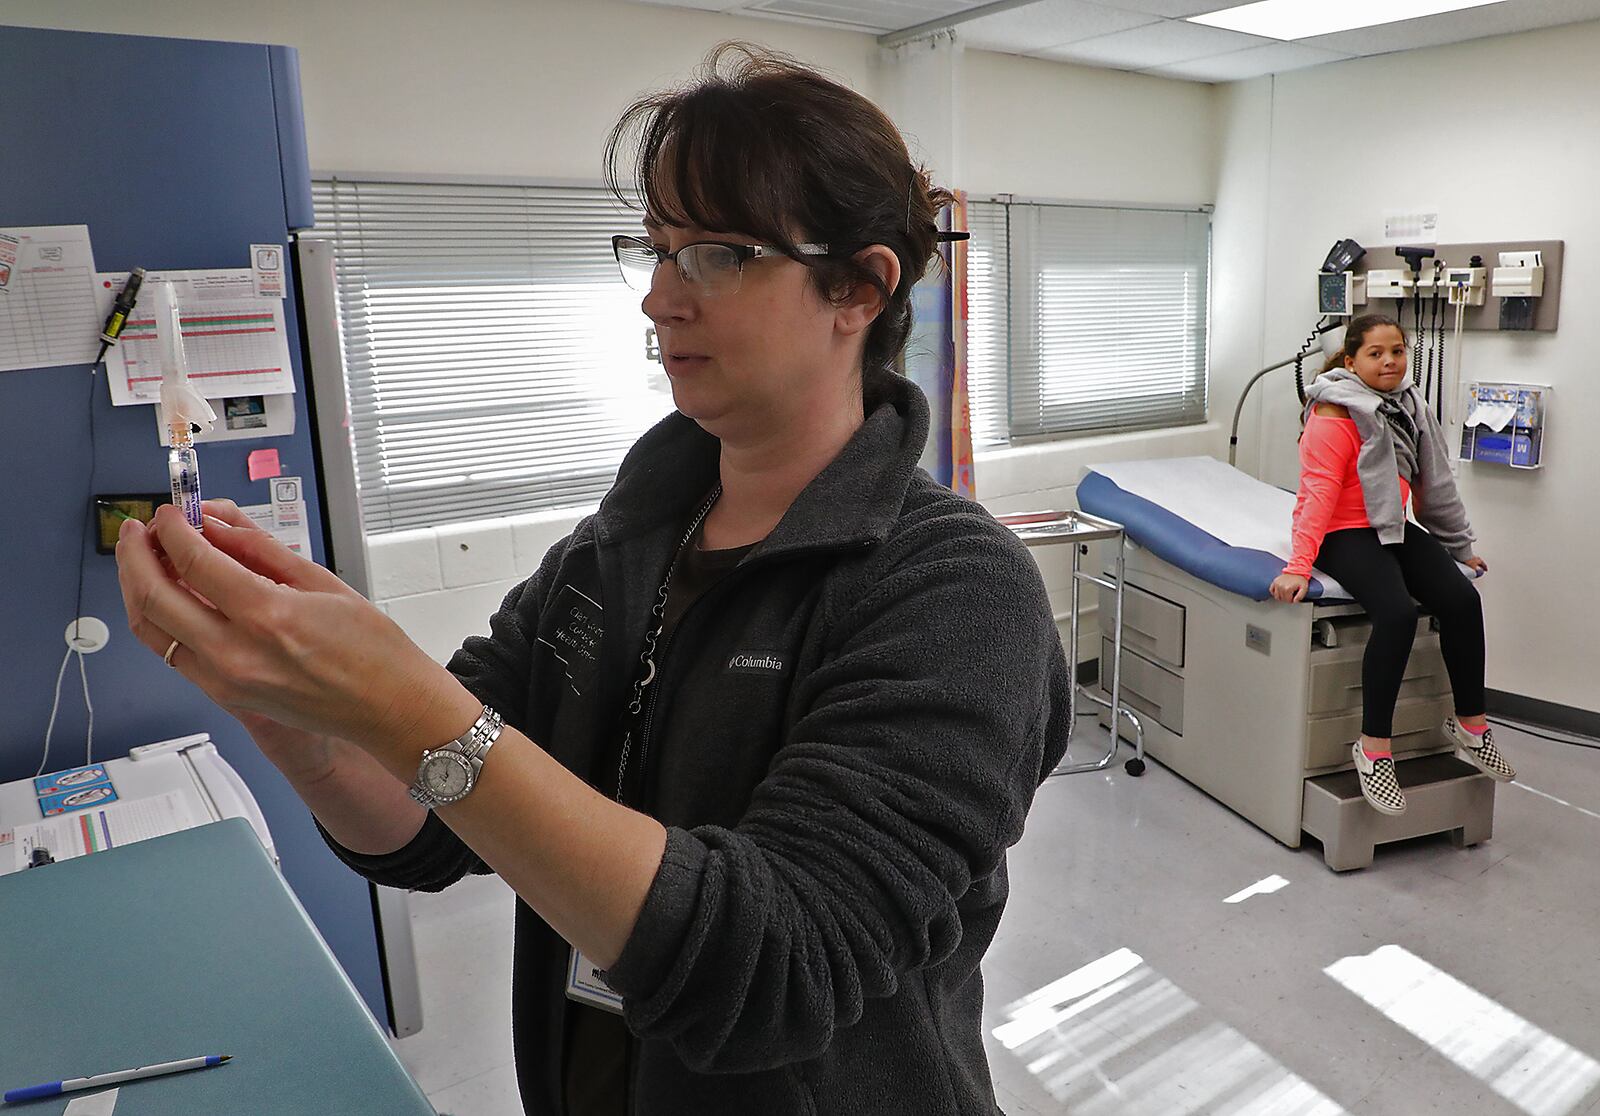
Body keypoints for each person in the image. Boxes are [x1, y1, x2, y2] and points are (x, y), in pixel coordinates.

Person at [115, 43, 1073, 1116]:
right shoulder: (611, 551)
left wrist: (401, 700)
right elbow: (431, 827)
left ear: (857, 286)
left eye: (716, 255)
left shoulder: (956, 592)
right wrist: (297, 709)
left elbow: (779, 968)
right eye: (655, 250)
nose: (660, 300)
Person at [1269, 313, 1514, 815]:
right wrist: (1299, 564)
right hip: (1343, 534)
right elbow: (1316, 494)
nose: (1389, 361)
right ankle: (1374, 747)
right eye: (1376, 353)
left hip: (1393, 528)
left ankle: (1470, 724)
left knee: (1463, 600)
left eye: (1397, 351)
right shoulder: (1334, 413)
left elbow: (1435, 483)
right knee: (1398, 613)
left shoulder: (1409, 405)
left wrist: (1460, 547)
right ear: (1352, 361)